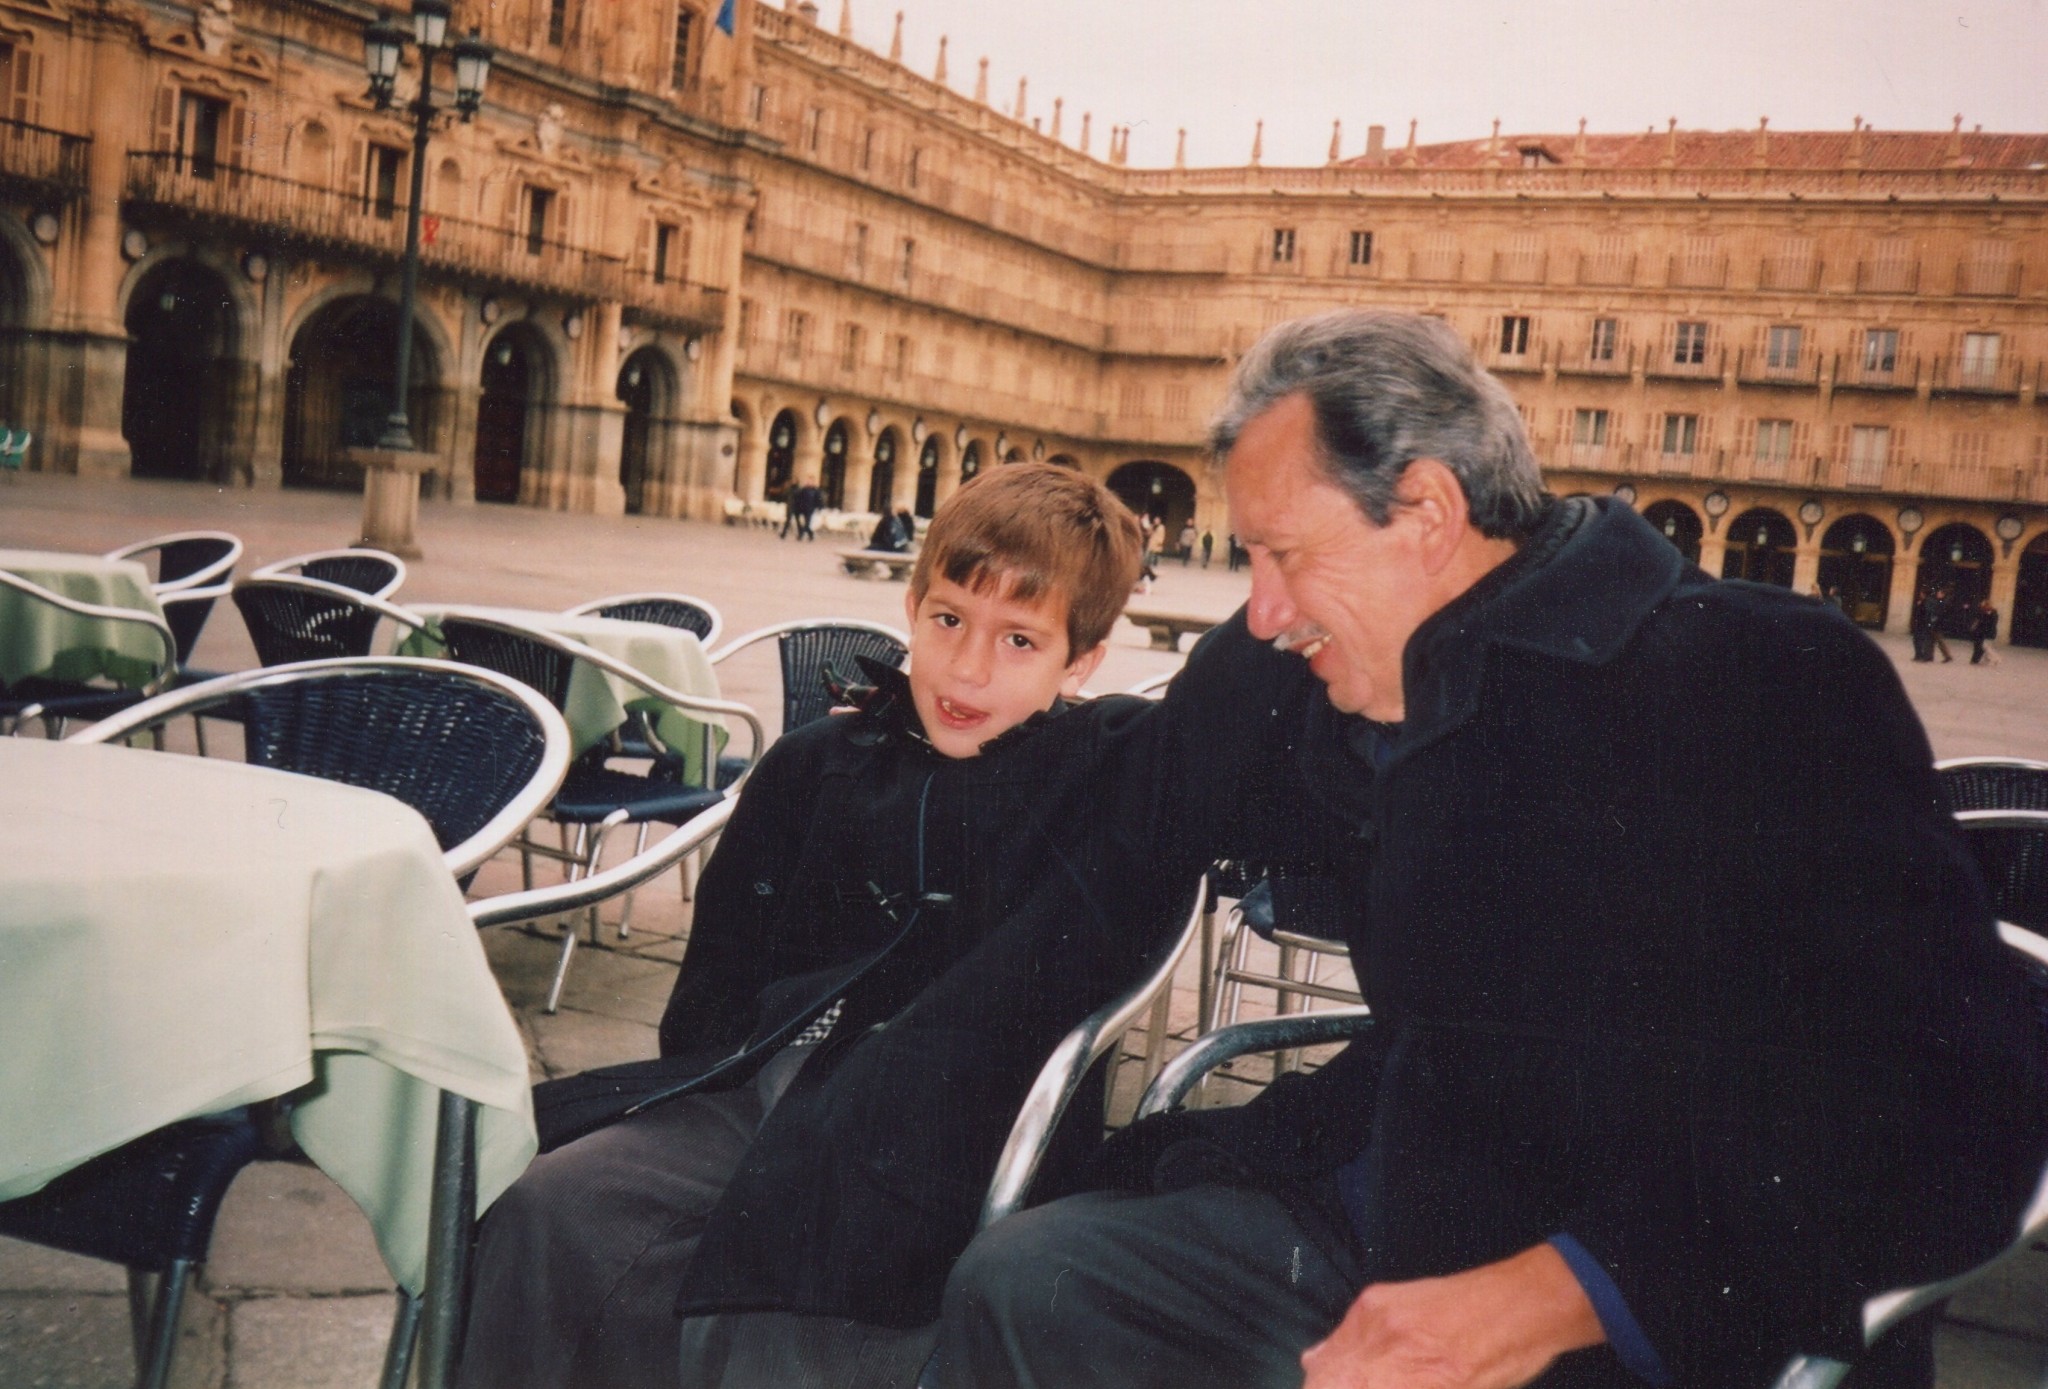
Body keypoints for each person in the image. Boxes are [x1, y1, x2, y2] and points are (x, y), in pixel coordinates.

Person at [933, 311, 2046, 1389]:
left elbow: (1957, 1103)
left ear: (1423, 509)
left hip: (1649, 1301)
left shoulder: (1750, 676)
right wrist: (921, 723)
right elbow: (1133, 787)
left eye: (1279, 555)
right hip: (1387, 1214)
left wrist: (1558, 1294)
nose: (1260, 611)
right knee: (1031, 1281)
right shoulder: (1344, 680)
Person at [456, 463, 1212, 1389]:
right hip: (772, 1093)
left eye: (1020, 639)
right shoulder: (819, 761)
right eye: (948, 620)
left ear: (1082, 662)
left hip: (949, 1142)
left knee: (784, 1305)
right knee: (551, 1204)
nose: (969, 668)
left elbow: (1224, 737)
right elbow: (716, 980)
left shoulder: (1099, 775)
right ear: (910, 605)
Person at [1972, 597, 2000, 664]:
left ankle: (1996, 658)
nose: (1981, 604)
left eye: (1983, 603)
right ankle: (1987, 659)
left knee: (1985, 647)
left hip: (1989, 632)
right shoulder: (1983, 611)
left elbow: (1992, 623)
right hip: (1985, 632)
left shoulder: (1993, 613)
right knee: (1985, 646)